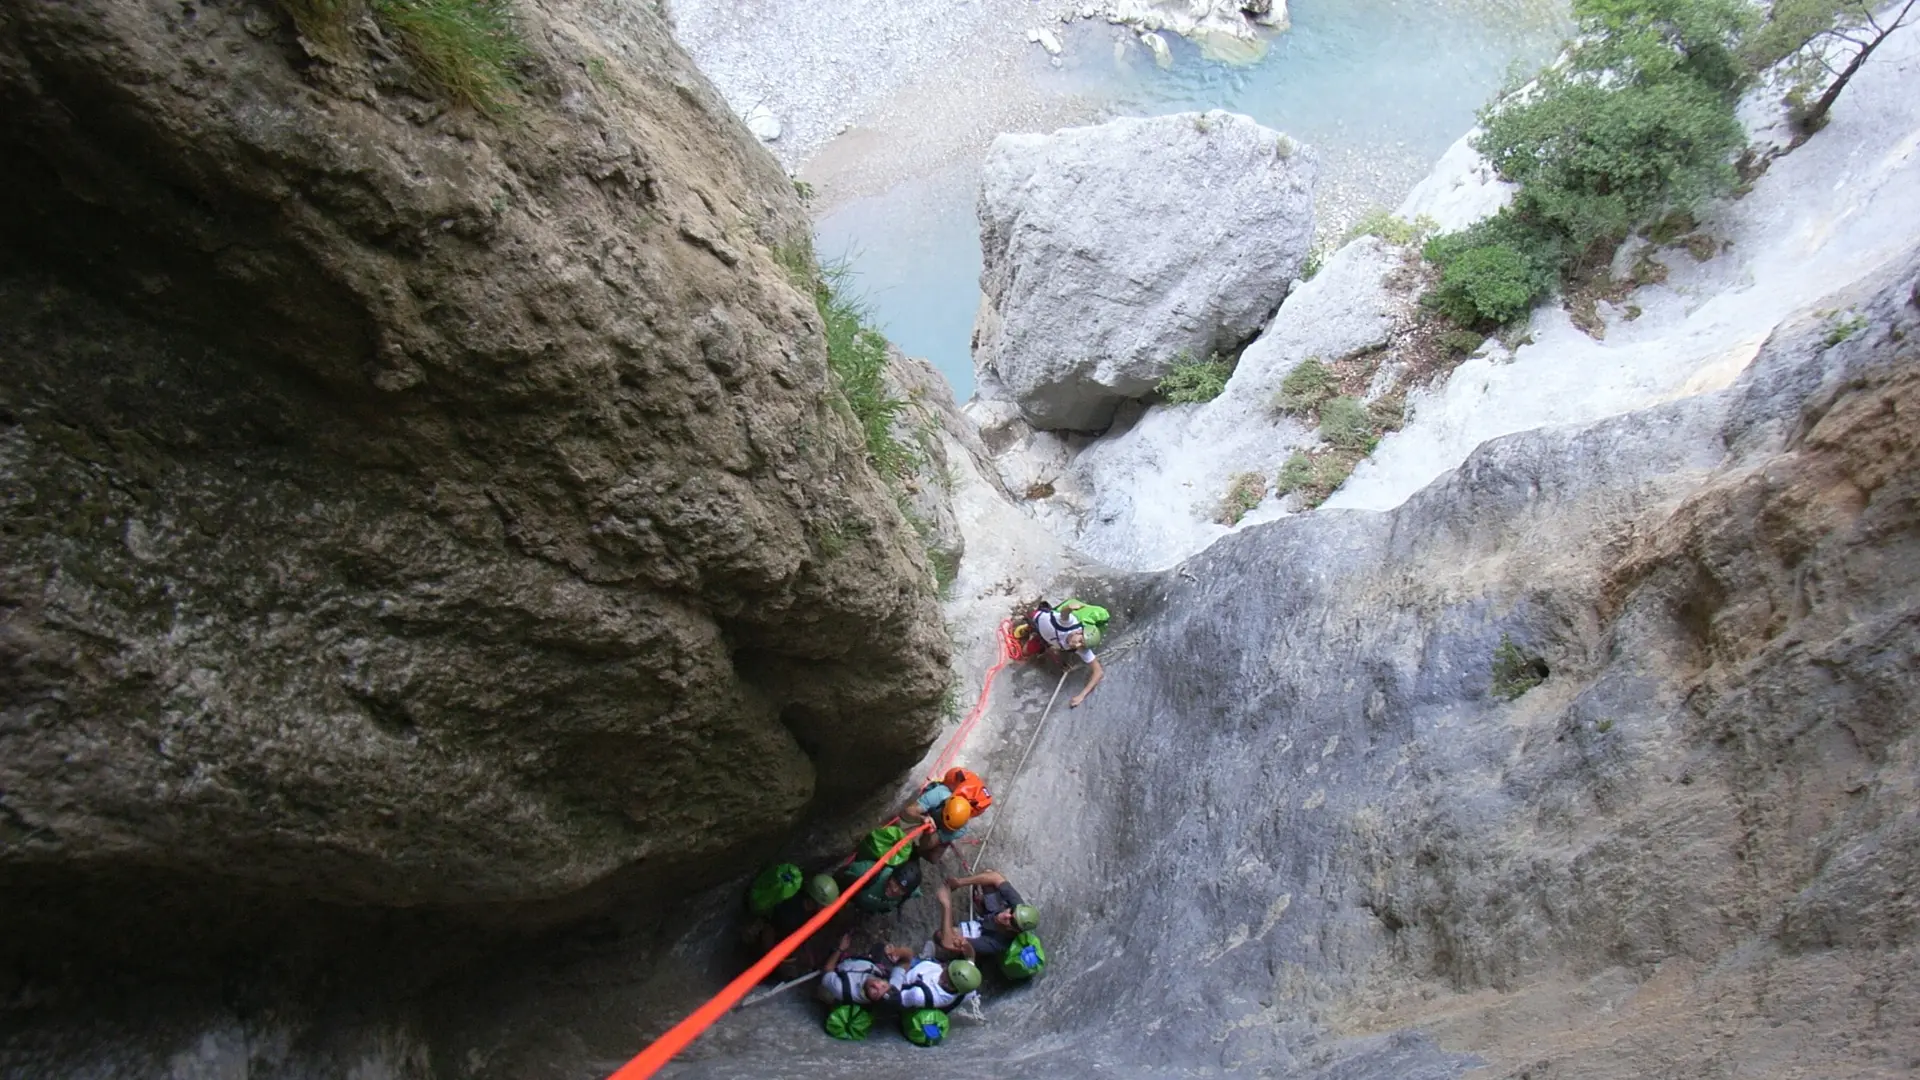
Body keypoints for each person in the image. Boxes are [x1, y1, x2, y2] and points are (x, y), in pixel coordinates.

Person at [935, 869, 1039, 960]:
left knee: (940, 936)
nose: (1006, 915)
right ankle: (982, 907)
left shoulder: (997, 943)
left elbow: (948, 942)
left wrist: (946, 904)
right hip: (992, 913)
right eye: (1011, 911)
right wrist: (959, 882)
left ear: (1015, 931)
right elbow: (995, 877)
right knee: (988, 874)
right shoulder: (1018, 907)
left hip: (982, 932)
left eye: (1011, 921)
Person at [1027, 601, 1105, 707]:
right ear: (1078, 632)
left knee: (1026, 651)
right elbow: (1064, 614)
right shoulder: (1070, 623)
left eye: (1082, 646)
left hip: (1045, 637)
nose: (1077, 646)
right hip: (1035, 619)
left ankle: (1032, 636)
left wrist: (1081, 696)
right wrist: (1069, 607)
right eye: (1080, 641)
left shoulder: (1081, 647)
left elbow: (1098, 672)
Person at [899, 781, 976, 861]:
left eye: (948, 827)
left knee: (933, 858)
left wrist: (928, 832)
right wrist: (922, 818)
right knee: (905, 835)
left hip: (938, 824)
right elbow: (905, 813)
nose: (945, 825)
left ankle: (915, 852)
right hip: (930, 811)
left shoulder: (961, 829)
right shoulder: (938, 795)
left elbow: (926, 844)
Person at [876, 956, 982, 1012]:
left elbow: (892, 997)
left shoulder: (919, 994)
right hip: (925, 967)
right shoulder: (967, 989)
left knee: (880, 952)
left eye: (946, 970)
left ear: (947, 984)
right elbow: (969, 962)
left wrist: (900, 966)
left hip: (906, 975)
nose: (945, 967)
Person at [840, 854, 924, 916]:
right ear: (891, 874)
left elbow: (917, 892)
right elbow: (841, 873)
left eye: (901, 889)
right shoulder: (867, 872)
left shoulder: (911, 892)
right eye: (895, 882)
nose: (895, 890)